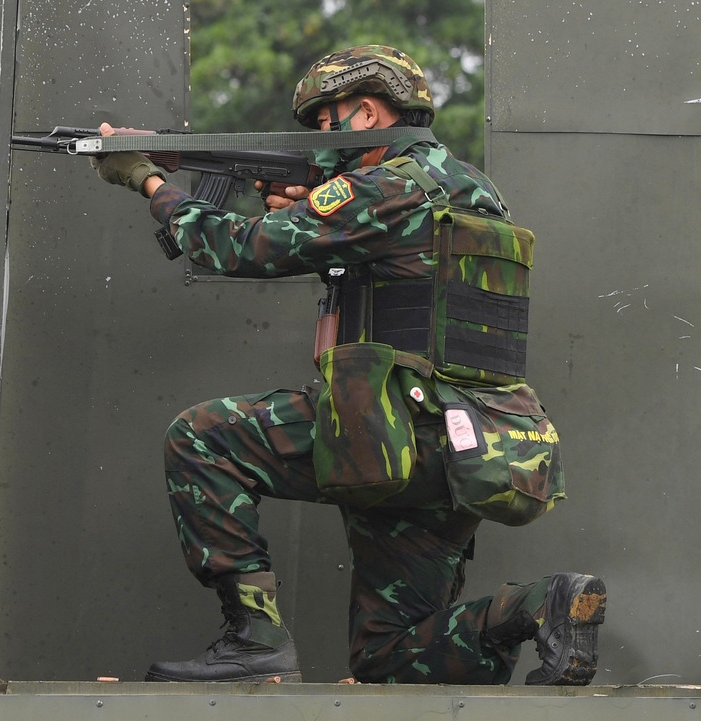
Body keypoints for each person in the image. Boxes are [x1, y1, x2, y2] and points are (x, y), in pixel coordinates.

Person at [89, 45, 606, 685]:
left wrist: (146, 178)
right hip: (469, 449)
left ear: (366, 112)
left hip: (392, 428)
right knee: (390, 659)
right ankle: (533, 606)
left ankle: (253, 640)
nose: (318, 140)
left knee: (203, 438)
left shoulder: (385, 188)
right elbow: (398, 259)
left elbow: (236, 246)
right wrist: (313, 201)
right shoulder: (468, 188)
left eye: (326, 122)